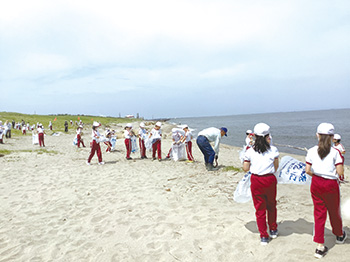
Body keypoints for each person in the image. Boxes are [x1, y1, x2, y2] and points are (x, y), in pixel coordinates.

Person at [305, 123, 347, 259]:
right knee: (334, 211)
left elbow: (307, 170)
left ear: (317, 135)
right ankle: (339, 235)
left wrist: (316, 175)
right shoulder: (336, 152)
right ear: (332, 137)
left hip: (316, 183)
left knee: (319, 214)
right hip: (330, 184)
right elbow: (340, 171)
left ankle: (319, 246)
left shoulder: (311, 151)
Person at [243, 123, 279, 245]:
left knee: (260, 208)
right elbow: (276, 166)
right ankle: (273, 229)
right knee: (271, 205)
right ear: (267, 136)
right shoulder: (273, 150)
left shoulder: (250, 151)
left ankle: (264, 235)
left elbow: (245, 168)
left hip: (256, 180)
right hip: (269, 179)